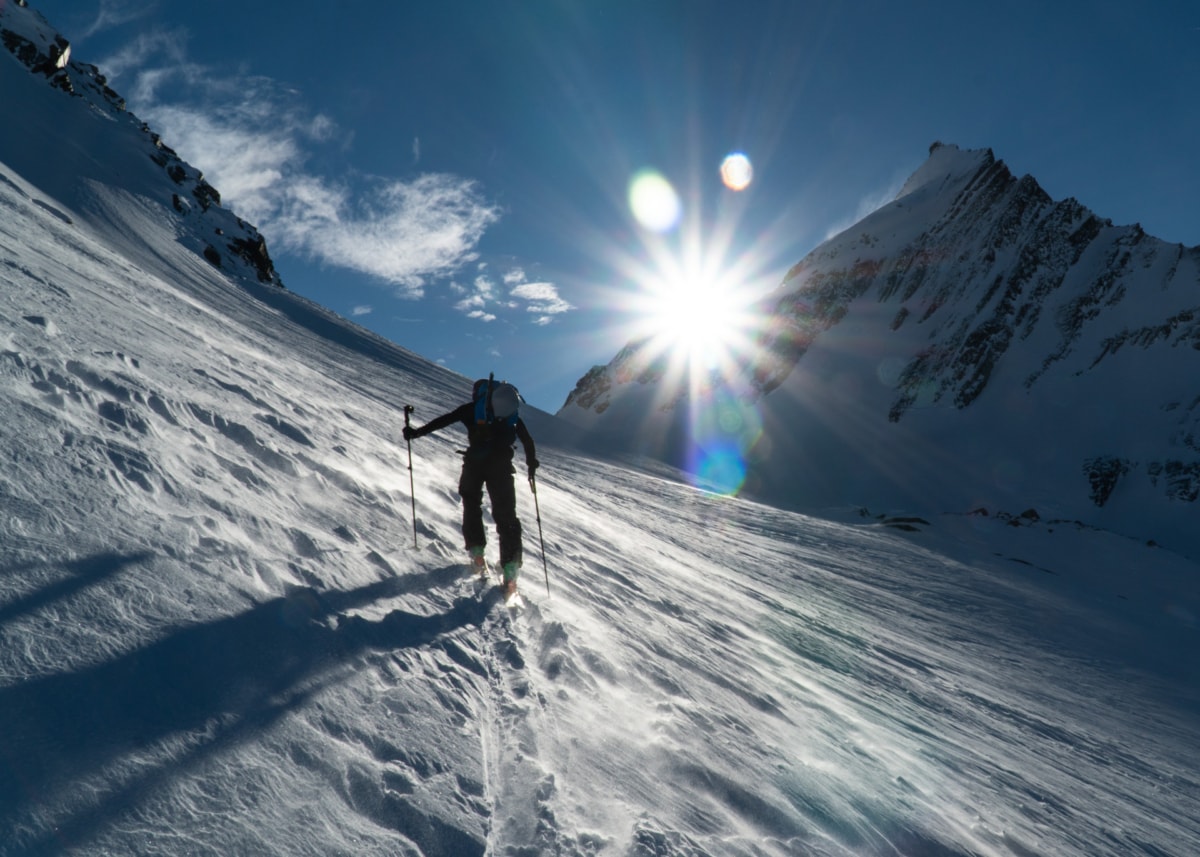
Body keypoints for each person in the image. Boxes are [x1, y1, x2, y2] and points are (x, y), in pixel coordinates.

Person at [402, 379, 538, 596]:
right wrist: (532, 464)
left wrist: (415, 433)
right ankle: (510, 570)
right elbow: (528, 441)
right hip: (502, 469)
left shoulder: (473, 410)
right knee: (506, 516)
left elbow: (443, 421)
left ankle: (476, 552)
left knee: (471, 503)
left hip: (475, 465)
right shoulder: (509, 415)